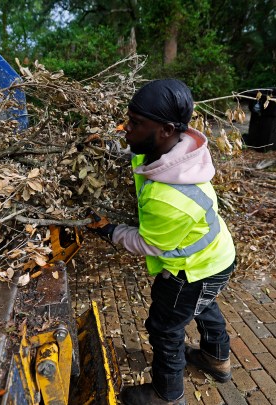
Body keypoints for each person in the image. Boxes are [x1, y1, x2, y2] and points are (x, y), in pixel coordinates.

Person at [89, 79, 236, 405]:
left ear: (167, 129)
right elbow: (137, 152)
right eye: (128, 120)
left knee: (165, 328)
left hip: (192, 268)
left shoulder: (168, 197)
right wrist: (112, 147)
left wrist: (109, 230)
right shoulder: (171, 149)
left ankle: (166, 396)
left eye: (136, 124)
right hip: (217, 255)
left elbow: (149, 244)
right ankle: (216, 359)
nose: (127, 129)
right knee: (204, 304)